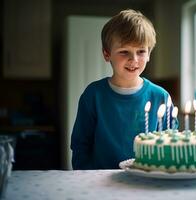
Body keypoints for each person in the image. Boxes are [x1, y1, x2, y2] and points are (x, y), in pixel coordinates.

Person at [71, 9, 176, 170]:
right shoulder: (93, 95)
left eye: (141, 51)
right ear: (107, 54)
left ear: (149, 54)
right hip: (100, 182)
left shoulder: (160, 96)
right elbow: (80, 145)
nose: (133, 60)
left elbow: (172, 146)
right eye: (124, 52)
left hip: (148, 180)